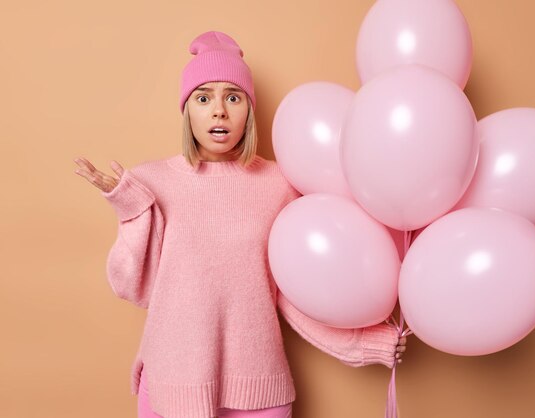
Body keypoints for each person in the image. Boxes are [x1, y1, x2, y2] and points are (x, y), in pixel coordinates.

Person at [74, 31, 406, 418]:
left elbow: (293, 294)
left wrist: (363, 344)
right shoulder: (150, 183)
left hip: (260, 389)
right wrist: (130, 209)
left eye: (233, 97)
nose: (219, 111)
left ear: (248, 108)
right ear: (187, 112)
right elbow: (134, 288)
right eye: (203, 98)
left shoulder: (280, 184)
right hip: (173, 387)